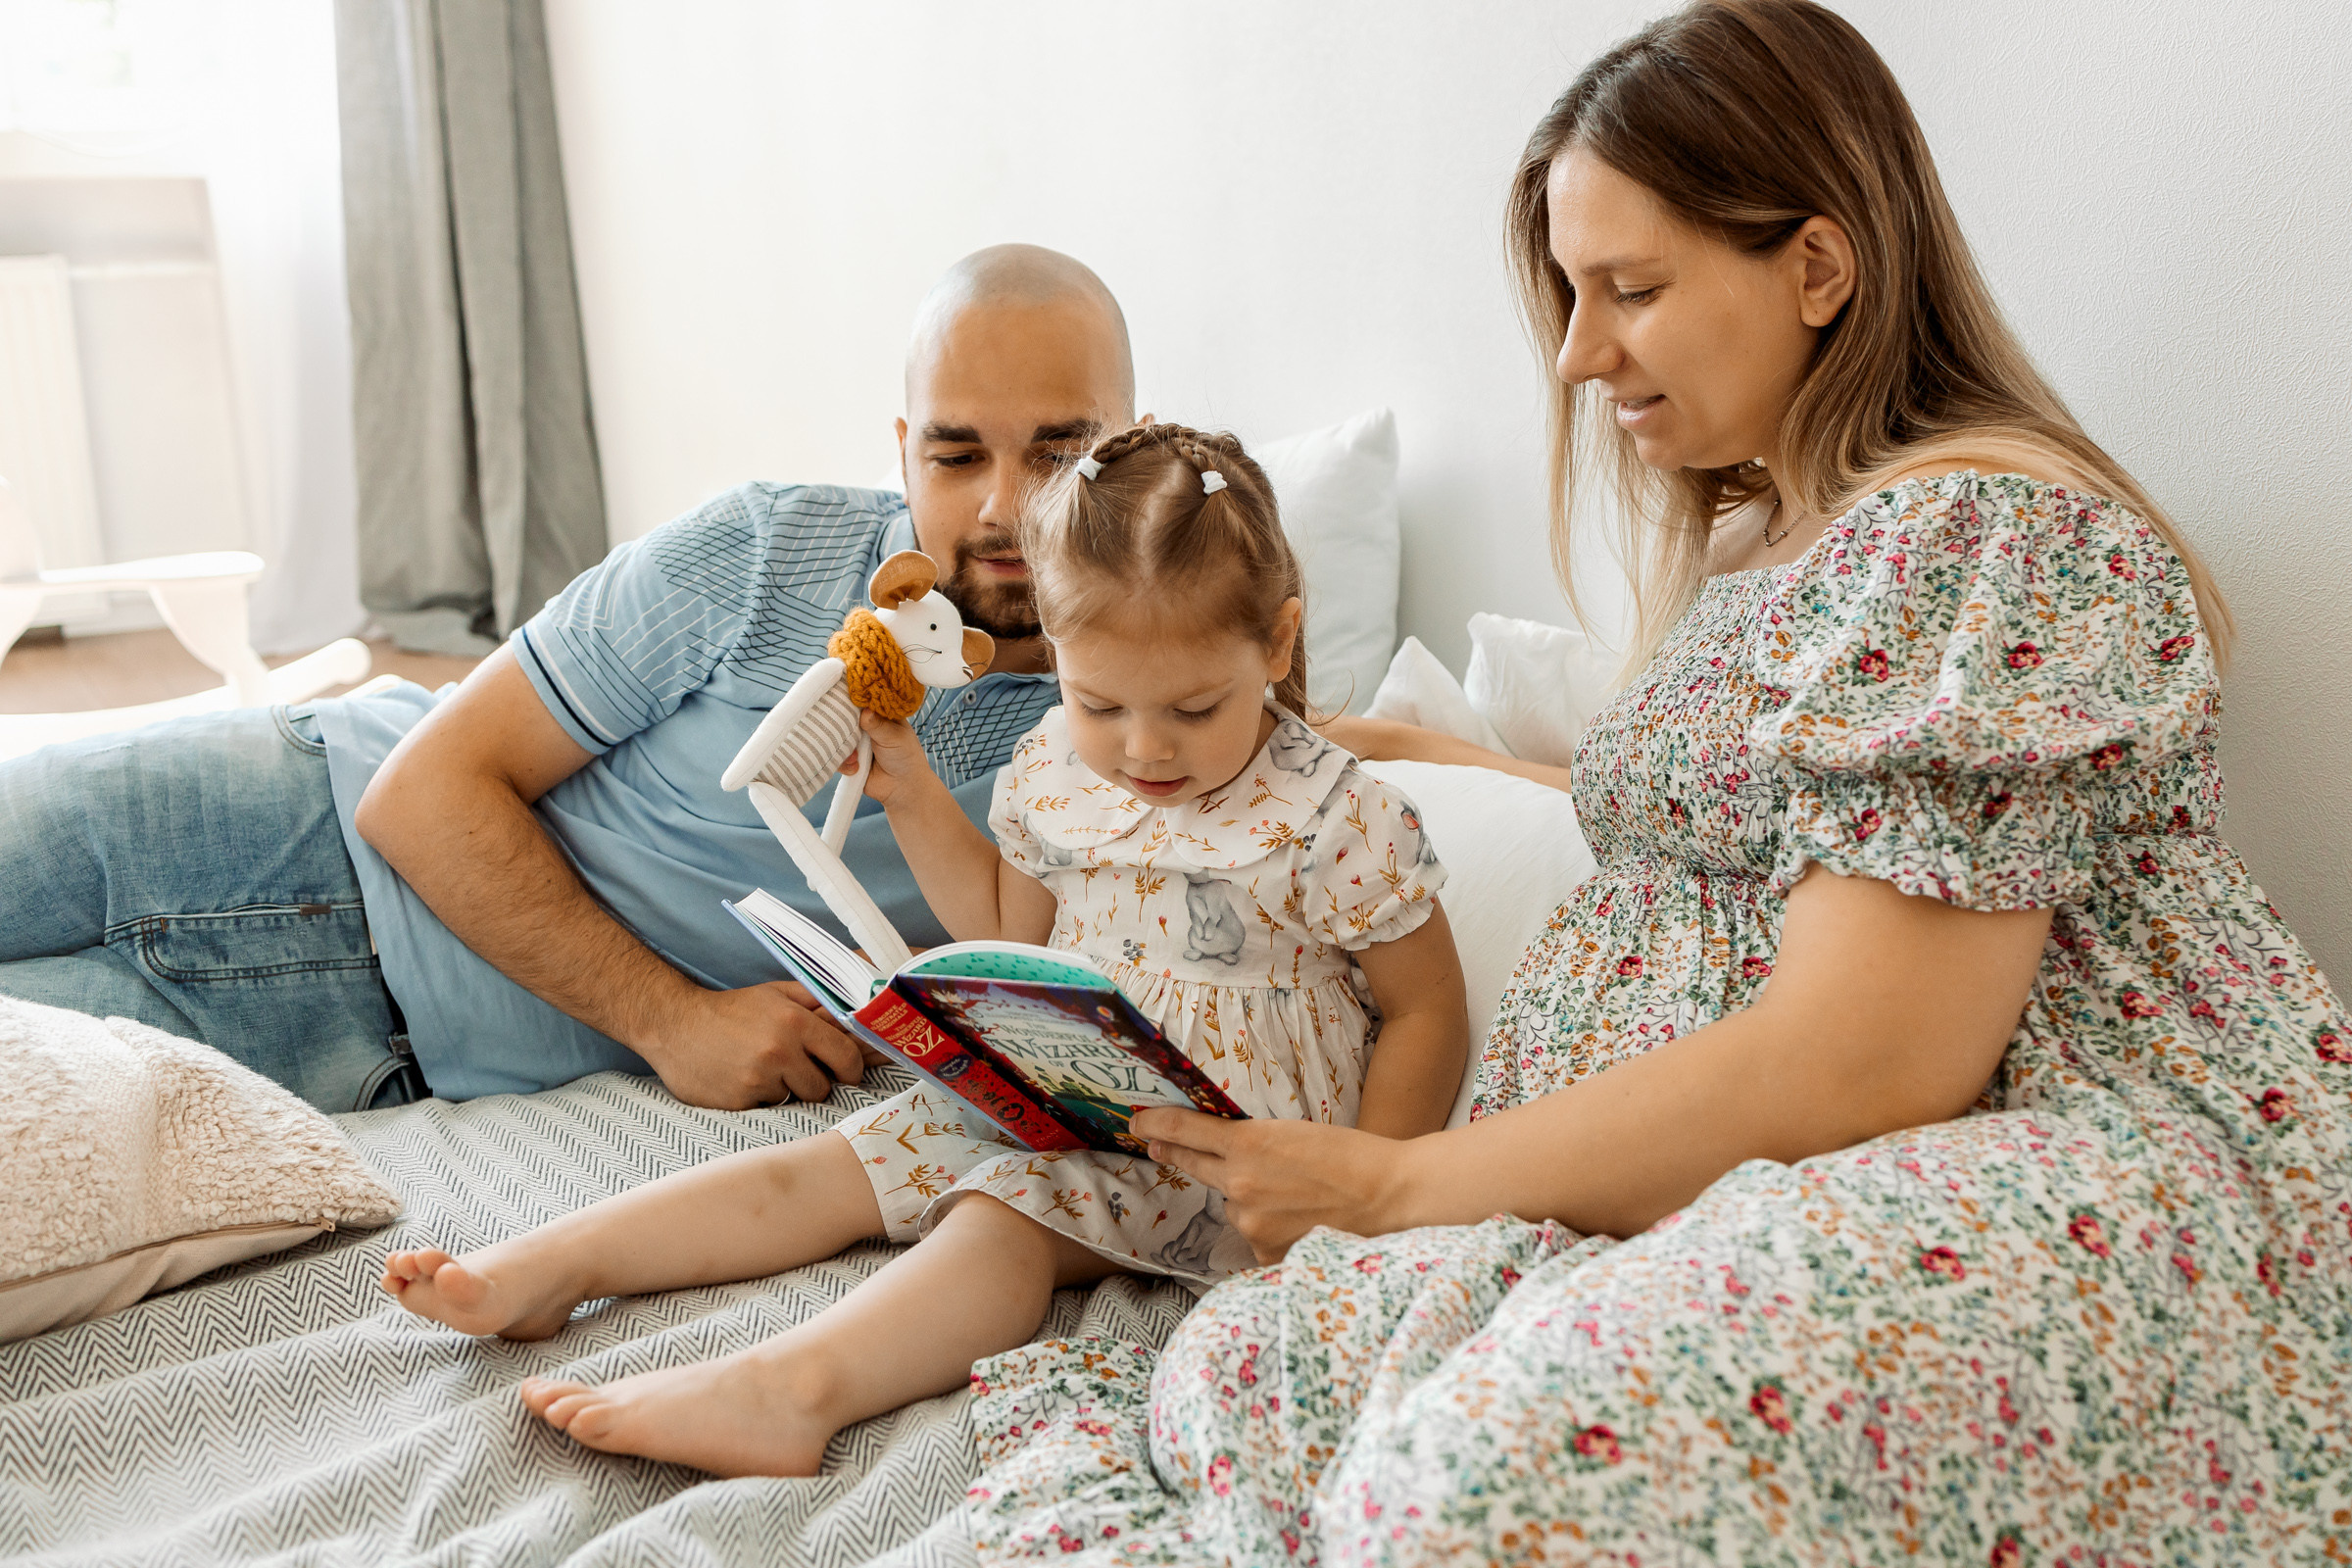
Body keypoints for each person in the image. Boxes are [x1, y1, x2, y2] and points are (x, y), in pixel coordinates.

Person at [962, 4, 2352, 1562]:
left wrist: (1405, 1180)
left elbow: (1868, 1057)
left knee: (1470, 1495)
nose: (1575, 351)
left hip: (2033, 1152)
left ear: (1818, 270)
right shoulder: (1774, 555)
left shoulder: (1979, 537)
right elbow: (1748, 830)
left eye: (1631, 288)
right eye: (1570, 291)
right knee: (1239, 1380)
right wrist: (1458, 759)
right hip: (1710, 1163)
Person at [377, 420, 1470, 1479]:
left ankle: (791, 1392)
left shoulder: (1334, 817)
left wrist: (1358, 1194)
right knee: (843, 1158)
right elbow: (1004, 929)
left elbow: (1426, 1010)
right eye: (1101, 702)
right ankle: (555, 1264)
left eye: (1192, 707)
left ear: (1274, 644)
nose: (1143, 748)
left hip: (1237, 1161)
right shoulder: (1058, 767)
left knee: (1006, 1217)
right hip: (1073, 1092)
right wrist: (906, 788)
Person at [0, 244, 1133, 1115]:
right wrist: (671, 1022)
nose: (1000, 507)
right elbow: (420, 792)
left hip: (361, 1038)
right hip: (280, 811)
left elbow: (1299, 762)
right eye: (955, 453)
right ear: (901, 450)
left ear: (1133, 444)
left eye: (1054, 451)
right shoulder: (760, 549)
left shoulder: (1142, 728)